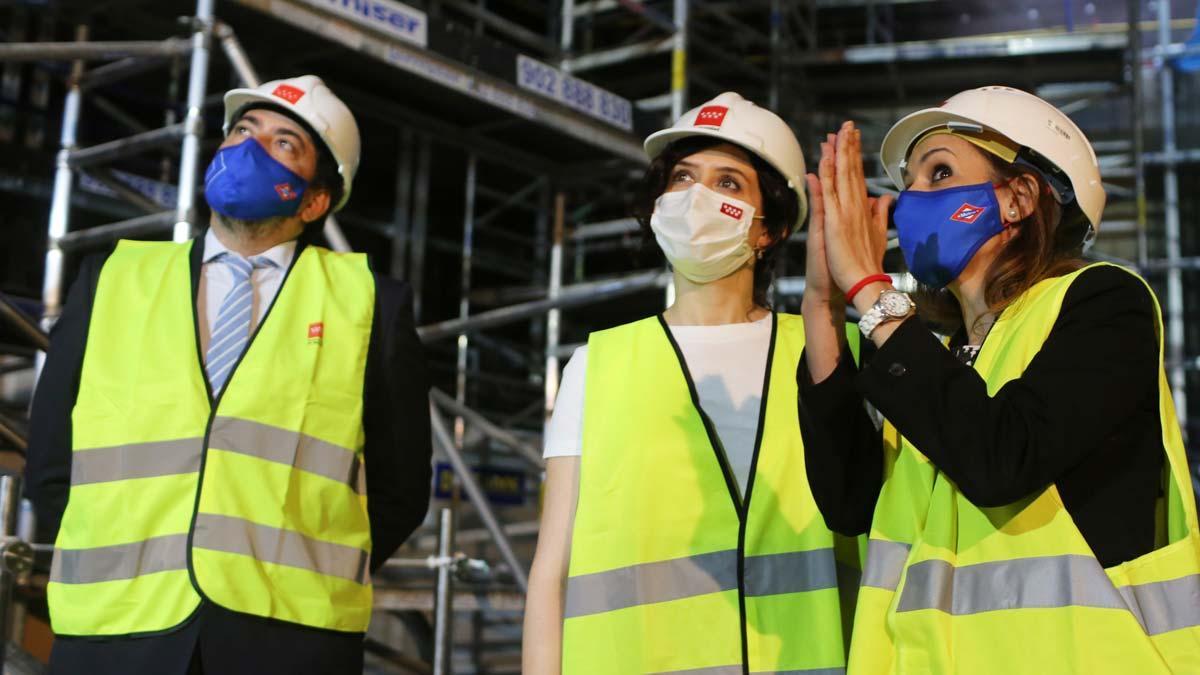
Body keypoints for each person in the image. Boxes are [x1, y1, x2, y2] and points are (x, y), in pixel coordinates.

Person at [25, 75, 432, 675]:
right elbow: (51, 456)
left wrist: (303, 571)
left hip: (287, 640)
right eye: (243, 130)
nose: (250, 146)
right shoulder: (113, 278)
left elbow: (399, 490)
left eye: (283, 142)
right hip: (114, 630)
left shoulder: (369, 303)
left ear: (315, 200)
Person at [800, 85, 1200, 673]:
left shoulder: (1105, 302)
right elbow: (850, 502)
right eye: (907, 183)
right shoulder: (940, 356)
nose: (911, 200)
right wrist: (822, 304)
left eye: (938, 173)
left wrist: (870, 289)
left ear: (1016, 199)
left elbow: (1001, 458)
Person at [523, 92, 859, 674]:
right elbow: (552, 571)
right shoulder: (598, 365)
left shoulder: (833, 352)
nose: (696, 197)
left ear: (769, 229)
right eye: (682, 177)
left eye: (728, 183)